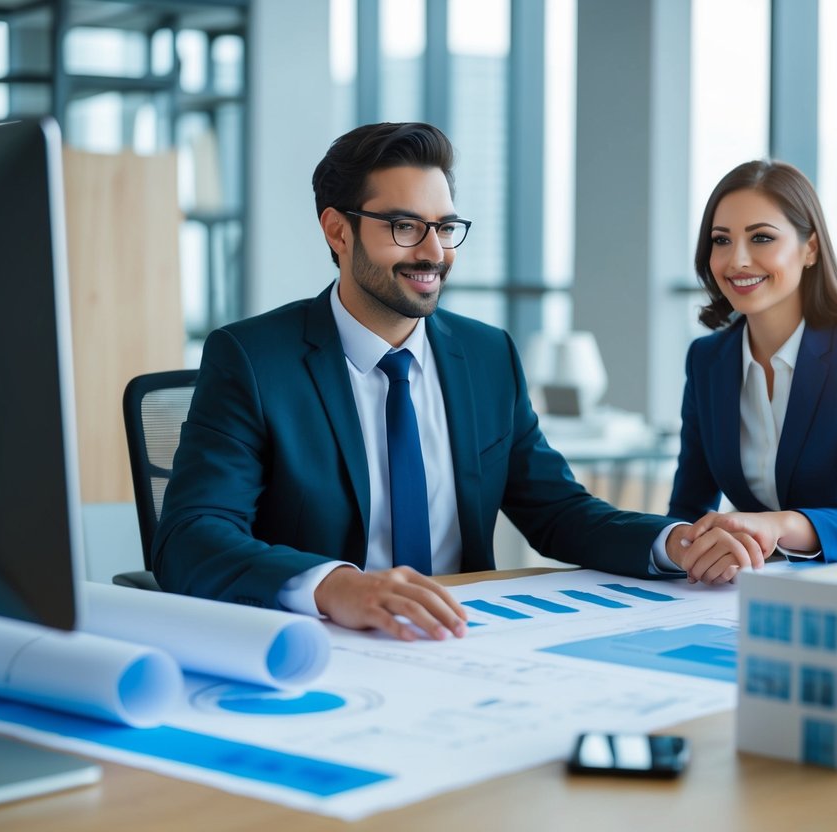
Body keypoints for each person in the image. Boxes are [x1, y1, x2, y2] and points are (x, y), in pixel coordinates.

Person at [154, 122, 746, 642]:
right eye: (406, 227)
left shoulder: (486, 355)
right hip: (326, 645)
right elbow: (190, 537)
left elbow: (559, 512)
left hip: (463, 638)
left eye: (445, 227)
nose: (434, 252)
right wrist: (336, 587)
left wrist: (673, 545)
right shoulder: (255, 359)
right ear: (338, 232)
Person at [668, 159, 837, 565]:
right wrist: (691, 550)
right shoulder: (707, 361)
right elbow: (686, 511)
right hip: (745, 587)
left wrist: (776, 527)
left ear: (810, 249)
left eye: (762, 238)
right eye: (721, 240)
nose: (737, 261)